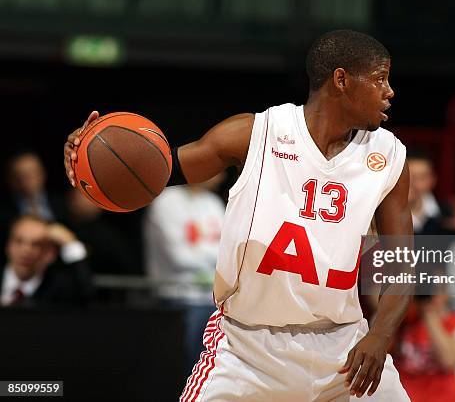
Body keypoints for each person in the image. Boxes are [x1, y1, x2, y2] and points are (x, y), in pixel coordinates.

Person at [64, 30, 412, 401]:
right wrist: (90, 156)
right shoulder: (254, 134)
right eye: (379, 79)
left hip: (344, 349)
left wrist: (379, 335)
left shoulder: (389, 157)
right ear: (341, 80)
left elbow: (403, 265)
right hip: (249, 348)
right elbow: (159, 171)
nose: (389, 91)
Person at [144, 175, 226, 374]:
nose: (218, 174)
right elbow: (180, 258)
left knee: (214, 374)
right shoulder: (166, 201)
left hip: (213, 301)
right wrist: (214, 254)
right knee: (184, 373)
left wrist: (201, 250)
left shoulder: (213, 203)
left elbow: (229, 254)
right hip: (176, 298)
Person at [394, 294, 455, 402]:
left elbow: (449, 360)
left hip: (445, 396)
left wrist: (428, 313)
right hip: (405, 396)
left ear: (444, 293)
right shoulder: (404, 323)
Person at [1, 215, 92, 306]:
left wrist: (71, 243)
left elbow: (86, 296)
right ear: (8, 245)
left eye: (36, 244)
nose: (26, 251)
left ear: (50, 254)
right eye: (18, 241)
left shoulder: (59, 288)